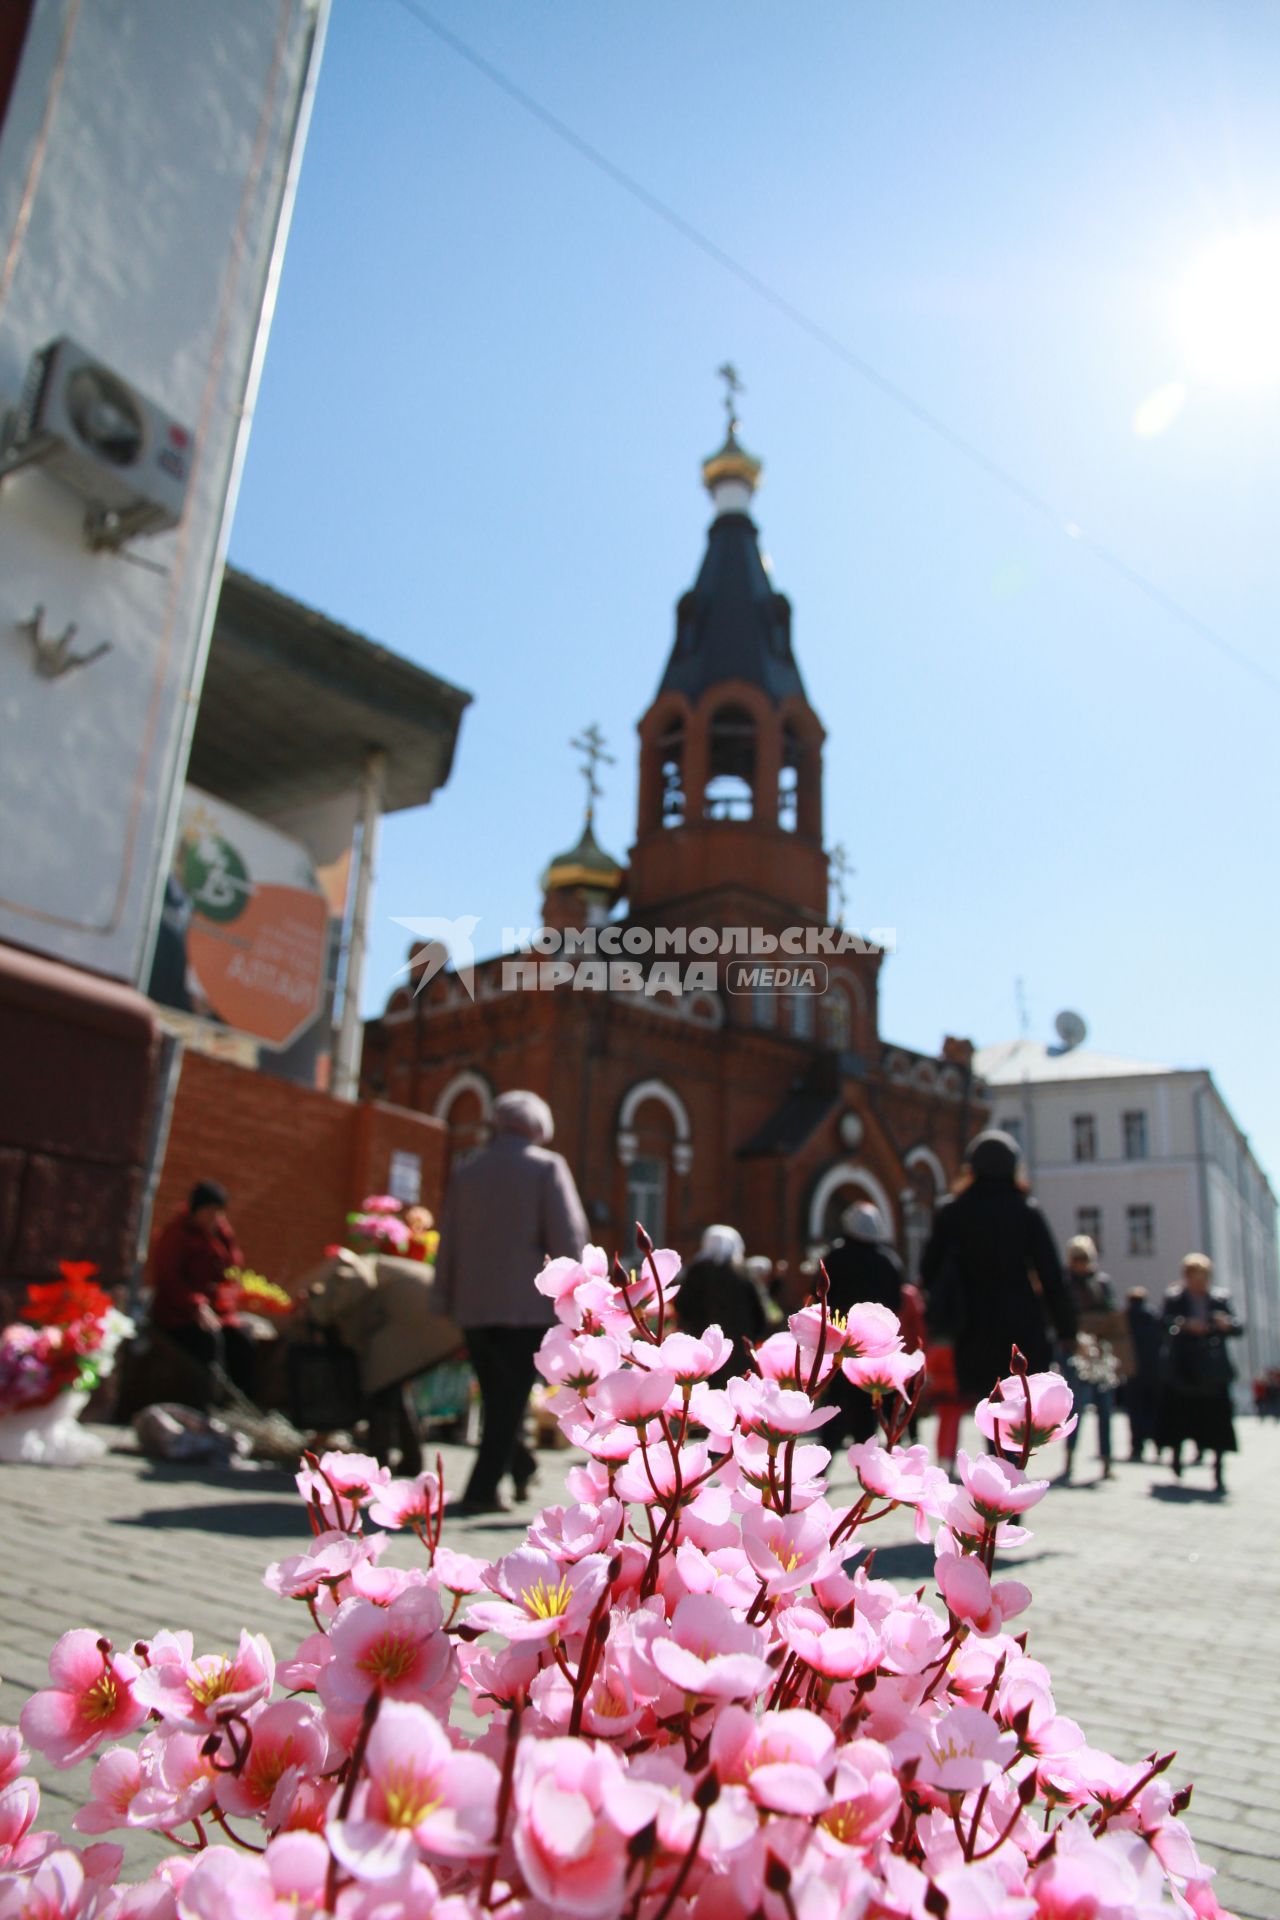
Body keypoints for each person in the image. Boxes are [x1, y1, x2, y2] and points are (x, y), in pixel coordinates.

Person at [434, 1090, 588, 1515]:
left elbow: (449, 1241)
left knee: (499, 1395)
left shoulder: (468, 1171)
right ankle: (482, 1491)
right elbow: (568, 1239)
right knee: (511, 1397)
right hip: (528, 1308)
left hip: (474, 1307)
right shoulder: (546, 1168)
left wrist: (441, 1296)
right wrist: (580, 1296)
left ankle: (520, 1466)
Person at [920, 1130, 1076, 1411]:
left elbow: (928, 1270)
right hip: (1022, 1325)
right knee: (1020, 1411)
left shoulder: (952, 1212)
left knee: (990, 1411)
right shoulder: (1026, 1211)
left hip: (971, 1327)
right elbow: (1052, 1276)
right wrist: (1067, 1329)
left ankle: (995, 1455)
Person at [148, 1180, 256, 1404]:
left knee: (242, 1340)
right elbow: (169, 1278)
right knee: (208, 1343)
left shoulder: (219, 1235)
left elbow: (232, 1266)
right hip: (178, 1314)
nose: (213, 1217)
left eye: (218, 1212)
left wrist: (225, 1237)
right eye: (209, 1211)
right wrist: (196, 1305)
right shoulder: (177, 1234)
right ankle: (205, 1405)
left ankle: (238, 1404)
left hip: (214, 1312)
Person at [1155, 1253, 1243, 1494]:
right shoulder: (1175, 1298)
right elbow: (1163, 1322)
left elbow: (1238, 1327)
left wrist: (1225, 1324)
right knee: (1179, 1417)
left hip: (1211, 1371)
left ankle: (1218, 1468)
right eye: (1194, 1277)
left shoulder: (1219, 1298)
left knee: (1216, 1421)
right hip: (1183, 1369)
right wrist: (1184, 1324)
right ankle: (1176, 1455)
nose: (1198, 1282)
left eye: (1202, 1277)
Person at [821, 1202, 905, 1444]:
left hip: (840, 1344)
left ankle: (822, 1463)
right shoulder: (888, 1262)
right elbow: (896, 1303)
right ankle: (868, 1456)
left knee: (835, 1402)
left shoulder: (834, 1258)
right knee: (869, 1404)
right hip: (875, 1348)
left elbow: (819, 1297)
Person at [1059, 1235, 1128, 1483]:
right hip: (1073, 1349)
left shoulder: (1101, 1282)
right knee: (1075, 1405)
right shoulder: (1064, 1283)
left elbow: (1112, 1312)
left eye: (1085, 1258)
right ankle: (1069, 1457)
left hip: (1100, 1349)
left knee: (1105, 1405)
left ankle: (1106, 1460)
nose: (1081, 1263)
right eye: (1077, 1259)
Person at [674, 1226, 768, 1389]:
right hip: (738, 1349)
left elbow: (682, 1306)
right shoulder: (743, 1272)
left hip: (701, 1348)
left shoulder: (696, 1271)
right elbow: (760, 1313)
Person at [1122, 1287, 1163, 1462]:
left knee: (1134, 1411)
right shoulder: (1154, 1317)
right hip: (1154, 1370)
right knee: (1154, 1409)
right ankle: (1158, 1443)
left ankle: (1136, 1446)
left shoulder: (1125, 1319)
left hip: (1132, 1371)